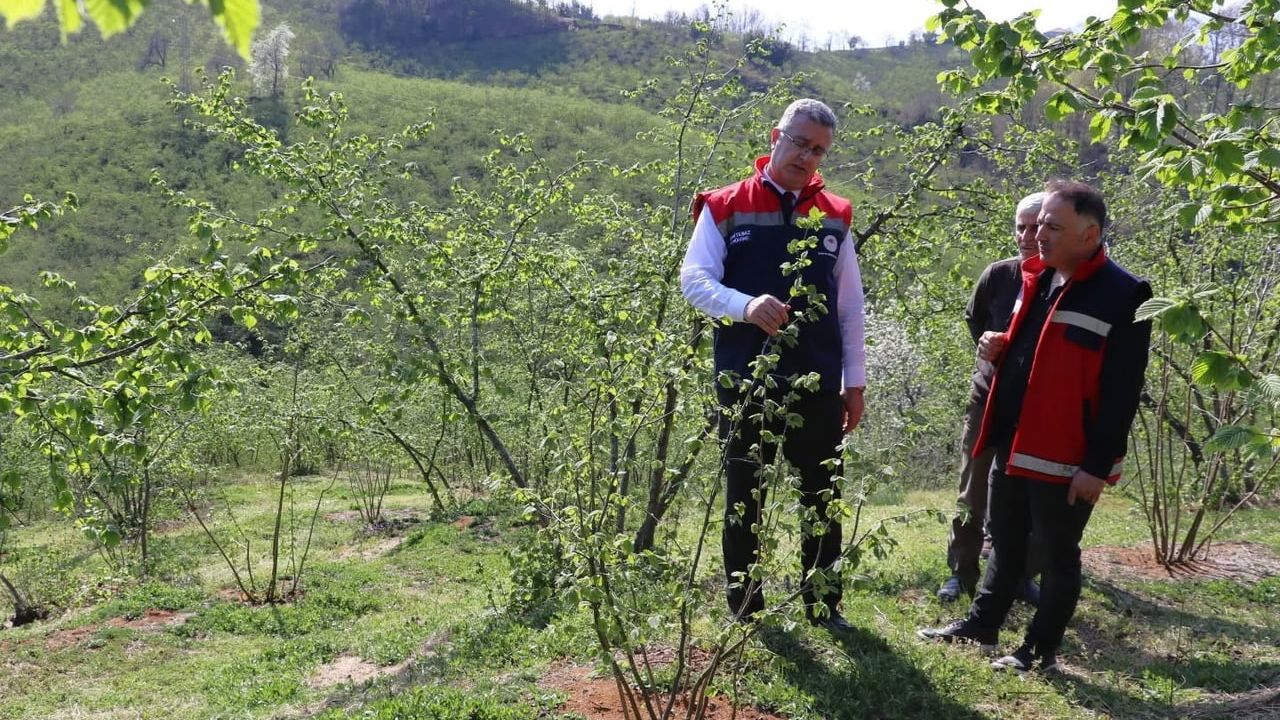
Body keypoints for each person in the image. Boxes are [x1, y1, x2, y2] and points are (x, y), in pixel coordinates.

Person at [918, 180, 1152, 673]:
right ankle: (982, 626)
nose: (1038, 234)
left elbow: (1122, 392)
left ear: (1090, 235)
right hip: (1013, 444)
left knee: (1056, 555)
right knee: (1004, 541)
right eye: (1039, 222)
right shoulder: (1036, 276)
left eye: (1052, 226)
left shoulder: (1126, 295)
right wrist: (995, 348)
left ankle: (1037, 650)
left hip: (1068, 458)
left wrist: (1094, 466)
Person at [680, 98, 867, 631]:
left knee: (822, 493)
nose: (806, 156)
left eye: (818, 150)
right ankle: (745, 612)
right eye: (799, 142)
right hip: (745, 379)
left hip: (819, 379)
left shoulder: (836, 213)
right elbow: (693, 280)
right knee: (747, 494)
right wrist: (744, 305)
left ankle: (824, 606)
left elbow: (849, 304)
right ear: (774, 137)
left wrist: (855, 382)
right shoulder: (725, 205)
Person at [937, 193, 1045, 606]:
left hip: (1036, 407)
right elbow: (975, 318)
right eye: (1021, 226)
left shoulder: (1063, 283)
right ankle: (961, 573)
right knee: (973, 488)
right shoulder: (998, 276)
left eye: (1036, 227)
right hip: (986, 399)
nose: (1027, 236)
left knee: (1030, 498)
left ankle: (1019, 576)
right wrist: (986, 345)